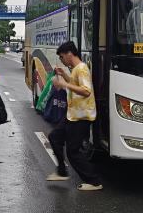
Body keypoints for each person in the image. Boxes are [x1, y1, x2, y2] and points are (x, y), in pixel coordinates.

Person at [46, 41, 103, 191]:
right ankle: (62, 171)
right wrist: (64, 75)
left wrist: (63, 85)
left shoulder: (82, 69)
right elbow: (75, 83)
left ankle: (94, 181)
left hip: (81, 117)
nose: (62, 60)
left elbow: (85, 91)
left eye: (62, 57)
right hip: (73, 115)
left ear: (70, 54)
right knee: (54, 137)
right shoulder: (77, 69)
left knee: (73, 151)